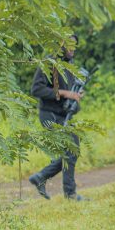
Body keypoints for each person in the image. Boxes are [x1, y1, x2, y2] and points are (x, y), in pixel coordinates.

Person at [29, 35, 87, 201]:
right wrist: (63, 93)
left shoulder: (69, 66)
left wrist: (75, 94)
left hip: (63, 115)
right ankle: (69, 194)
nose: (72, 49)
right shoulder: (49, 63)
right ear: (60, 46)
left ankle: (41, 177)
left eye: (74, 46)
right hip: (49, 114)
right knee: (71, 149)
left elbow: (67, 90)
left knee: (72, 149)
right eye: (69, 46)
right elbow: (36, 89)